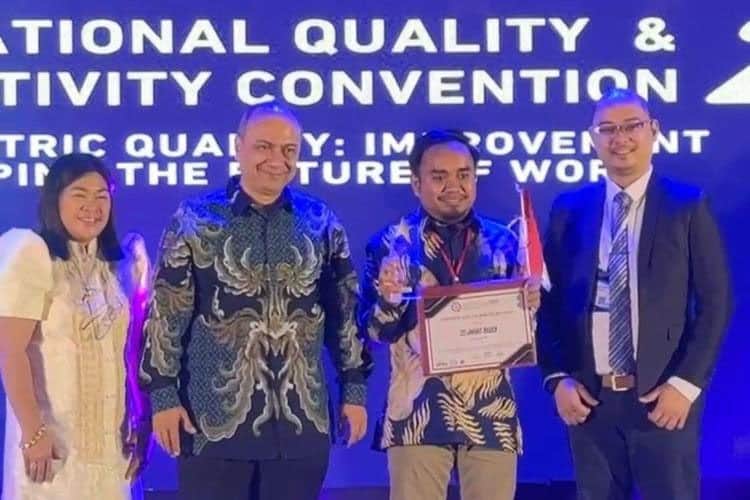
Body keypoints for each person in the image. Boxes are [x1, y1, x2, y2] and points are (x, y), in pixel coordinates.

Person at [139, 101, 371, 500]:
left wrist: (354, 391)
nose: (277, 160)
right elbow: (167, 314)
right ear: (238, 146)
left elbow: (344, 313)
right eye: (264, 146)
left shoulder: (320, 221)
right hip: (213, 426)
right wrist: (163, 396)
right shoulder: (196, 219)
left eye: (289, 150)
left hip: (301, 425)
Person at [537, 88, 732, 500]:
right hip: (590, 401)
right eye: (607, 129)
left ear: (654, 131)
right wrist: (557, 379)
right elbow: (546, 305)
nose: (620, 138)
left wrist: (686, 384)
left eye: (632, 126)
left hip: (663, 397)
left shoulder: (687, 206)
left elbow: (715, 305)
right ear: (592, 139)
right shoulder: (570, 209)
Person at [359, 129, 540, 500]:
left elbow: (526, 336)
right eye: (439, 176)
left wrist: (529, 309)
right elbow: (374, 333)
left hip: (491, 415)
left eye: (463, 174)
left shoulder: (505, 242)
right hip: (417, 416)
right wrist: (390, 299)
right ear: (416, 183)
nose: (453, 186)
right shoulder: (390, 244)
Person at [0, 153, 152, 499]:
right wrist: (34, 433)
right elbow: (10, 351)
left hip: (111, 448)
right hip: (52, 449)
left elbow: (129, 353)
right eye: (79, 194)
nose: (92, 207)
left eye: (102, 196)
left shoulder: (114, 268)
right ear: (55, 199)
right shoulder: (31, 252)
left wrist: (140, 416)